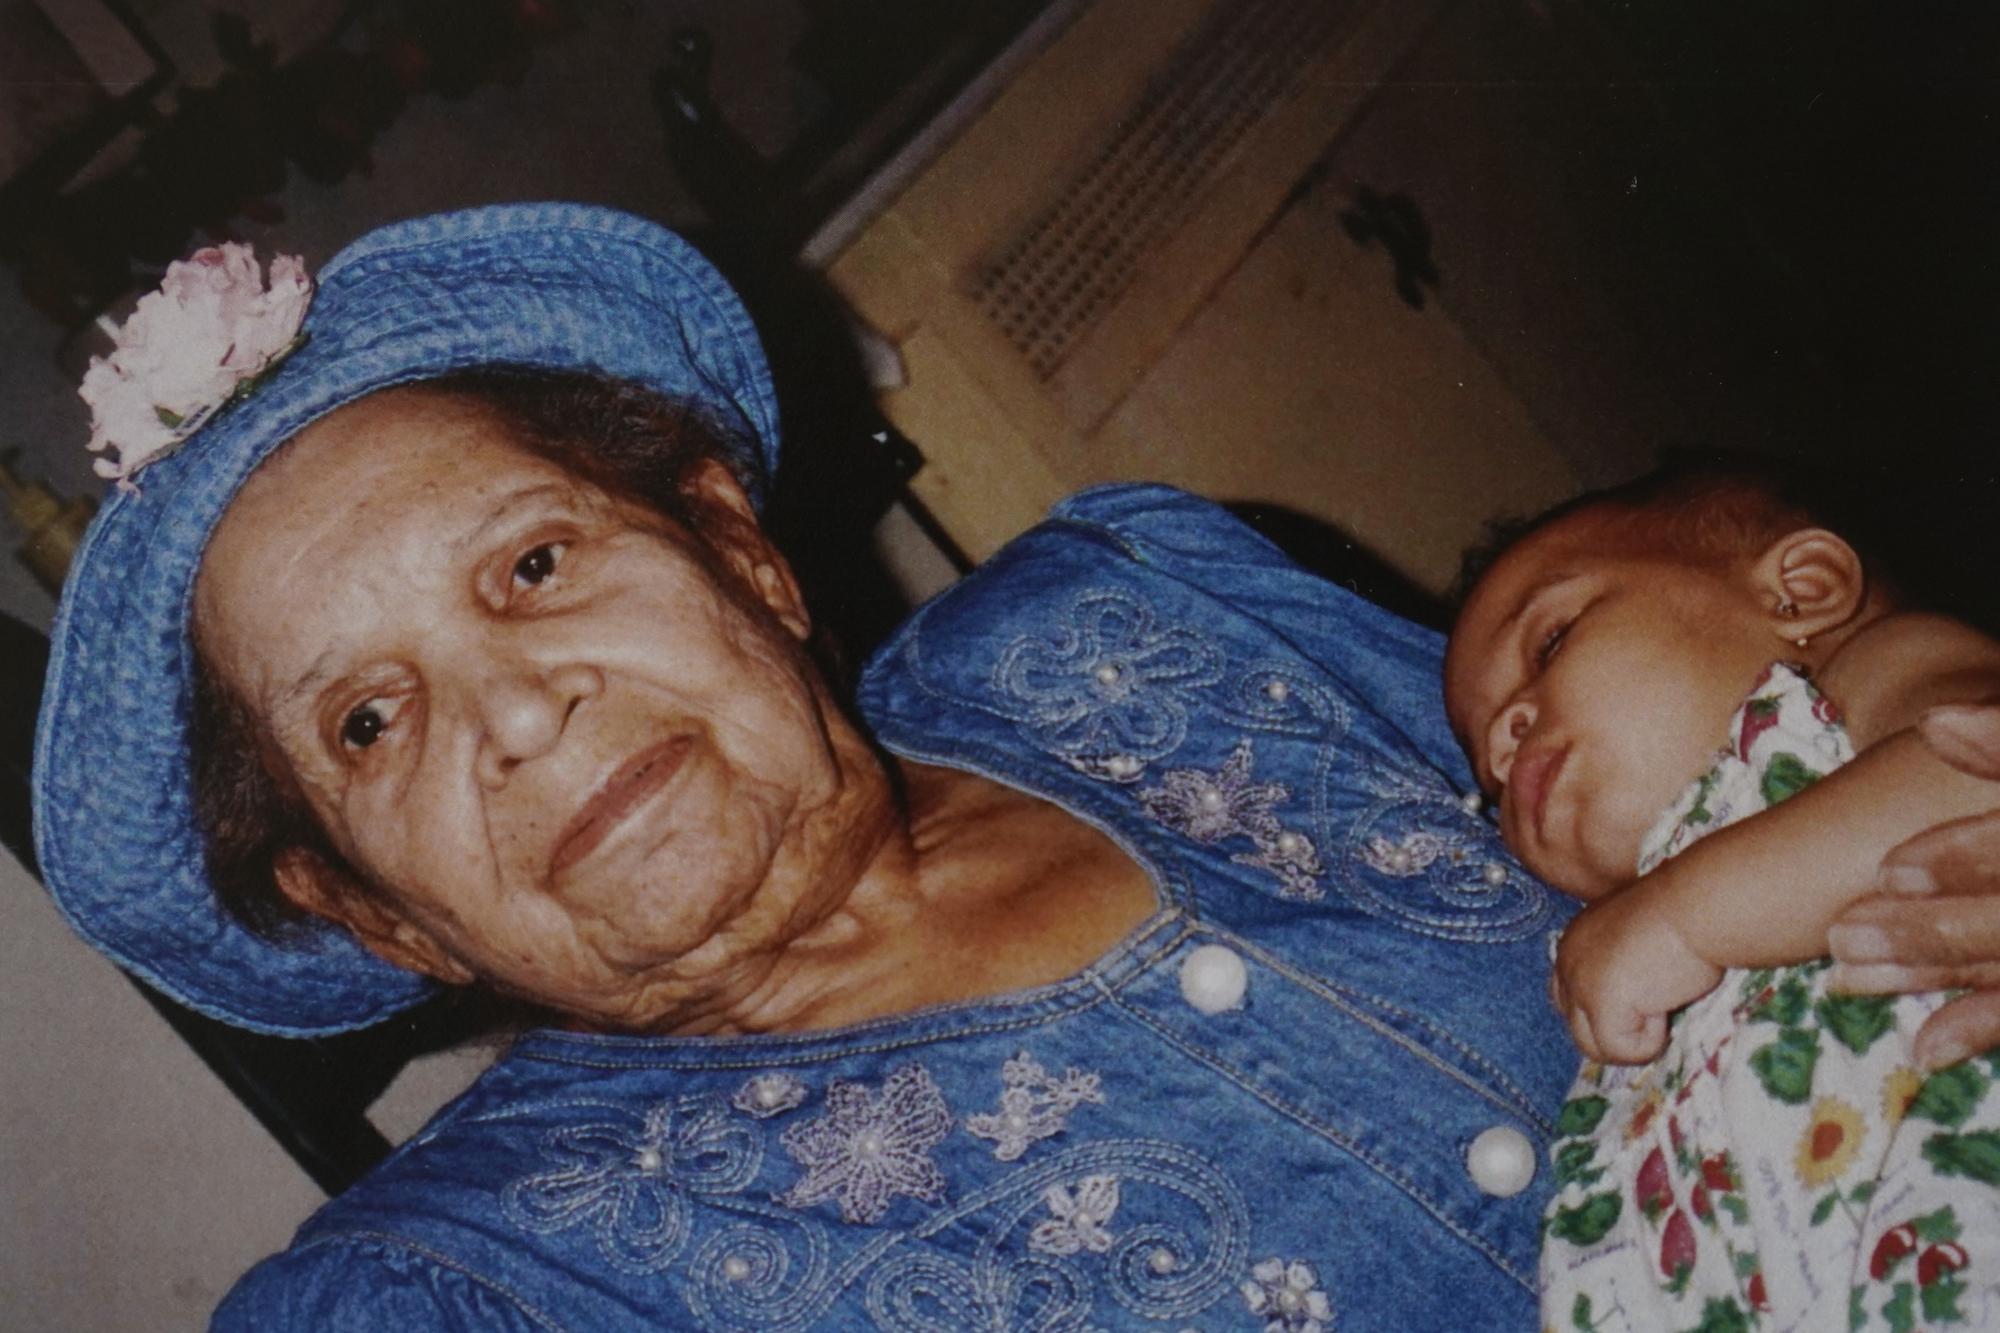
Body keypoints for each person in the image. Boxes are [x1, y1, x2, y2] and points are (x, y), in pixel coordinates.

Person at [27, 203, 2000, 1332]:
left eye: (535, 562)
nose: (518, 708)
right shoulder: (475, 1295)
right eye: (369, 723)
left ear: (732, 539)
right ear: (363, 902)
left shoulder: (1137, 602)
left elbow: (1776, 766)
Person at [1443, 465, 2000, 1329]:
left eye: (1551, 642)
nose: (1509, 738)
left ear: (1801, 591)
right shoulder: (1626, 982)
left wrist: (1682, 914)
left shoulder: (1858, 686)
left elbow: (1974, 778)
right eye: (1488, 775)